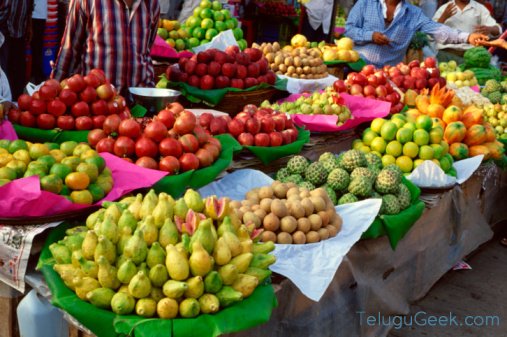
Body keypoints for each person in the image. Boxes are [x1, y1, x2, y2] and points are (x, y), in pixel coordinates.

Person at [52, 0, 160, 96]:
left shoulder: (152, 4)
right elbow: (70, 50)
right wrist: (54, 90)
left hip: (141, 98)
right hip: (98, 103)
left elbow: (147, 47)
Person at [345, 0, 488, 68]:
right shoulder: (364, 4)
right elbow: (349, 30)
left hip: (389, 73)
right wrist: (370, 35)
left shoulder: (413, 13)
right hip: (358, 67)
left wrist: (467, 37)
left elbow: (437, 29)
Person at [433, 0, 501, 62]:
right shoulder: (444, 8)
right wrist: (443, 17)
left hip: (472, 57)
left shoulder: (479, 8)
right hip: (446, 55)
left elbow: (498, 30)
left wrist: (490, 29)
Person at [0, 0, 34, 101]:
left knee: (19, 71)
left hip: (19, 30)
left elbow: (30, 5)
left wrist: (29, 26)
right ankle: (5, 103)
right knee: (4, 72)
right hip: (3, 29)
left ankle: (16, 104)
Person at [31, 0, 48, 84]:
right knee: (36, 47)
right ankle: (36, 74)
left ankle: (36, 74)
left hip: (39, 16)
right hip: (35, 16)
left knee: (37, 47)